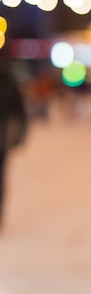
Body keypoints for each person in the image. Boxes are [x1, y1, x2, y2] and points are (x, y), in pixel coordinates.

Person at [0, 58, 28, 228]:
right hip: (3, 141)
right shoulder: (11, 85)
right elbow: (21, 114)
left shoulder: (10, 86)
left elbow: (20, 114)